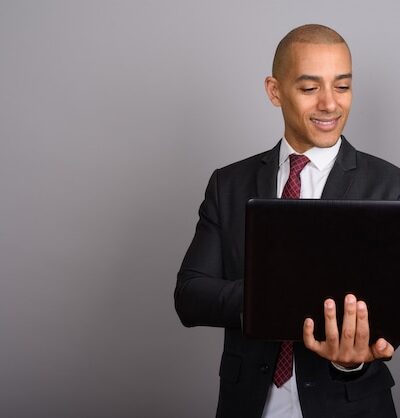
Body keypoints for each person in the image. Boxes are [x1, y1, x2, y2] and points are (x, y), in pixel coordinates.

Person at [174, 24, 400, 418]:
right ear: (274, 91)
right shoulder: (229, 184)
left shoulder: (391, 186)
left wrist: (355, 356)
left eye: (342, 86)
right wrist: (275, 298)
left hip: (349, 406)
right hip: (247, 405)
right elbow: (191, 295)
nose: (330, 104)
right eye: (310, 88)